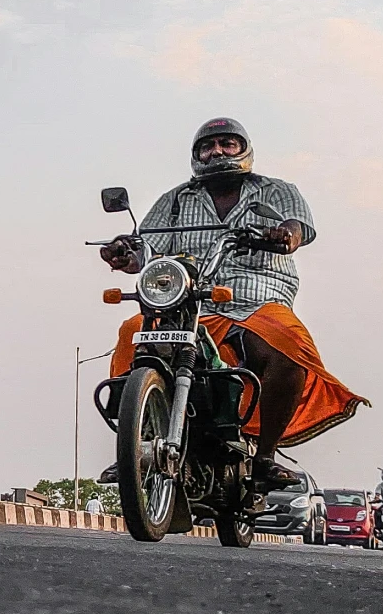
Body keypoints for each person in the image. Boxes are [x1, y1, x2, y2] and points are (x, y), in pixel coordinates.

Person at [102, 117, 366, 493]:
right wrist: (125, 251)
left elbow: (297, 229)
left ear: (244, 150)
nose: (217, 152)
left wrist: (283, 235)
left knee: (288, 345)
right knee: (133, 330)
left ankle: (265, 459)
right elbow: (145, 246)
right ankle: (135, 444)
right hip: (188, 303)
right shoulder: (175, 200)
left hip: (257, 302)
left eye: (227, 144)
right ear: (196, 155)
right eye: (207, 146)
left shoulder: (276, 191)